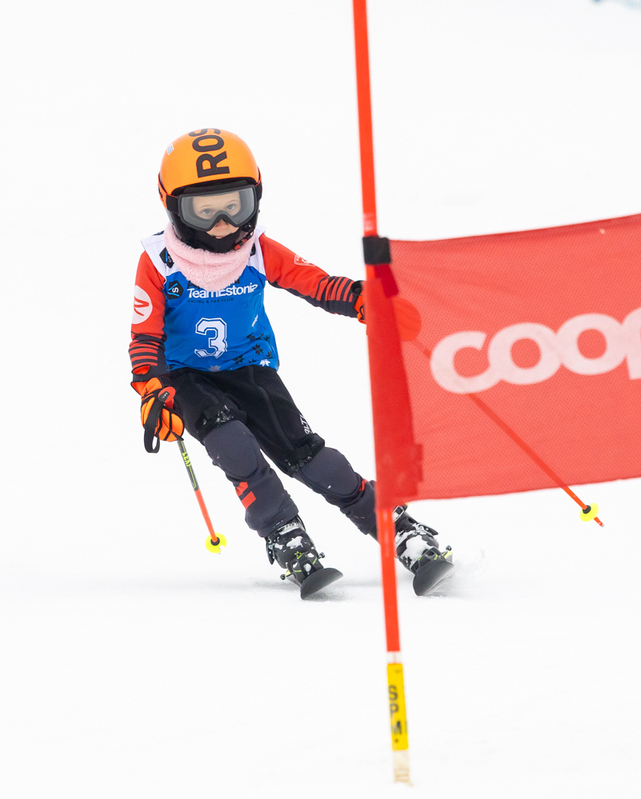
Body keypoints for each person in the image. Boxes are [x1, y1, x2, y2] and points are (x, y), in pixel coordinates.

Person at [129, 128, 452, 596]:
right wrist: (151, 388)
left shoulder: (258, 251)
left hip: (250, 369)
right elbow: (144, 336)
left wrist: (364, 302)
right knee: (233, 444)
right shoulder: (159, 261)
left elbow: (315, 283)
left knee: (312, 459)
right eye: (203, 210)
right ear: (173, 206)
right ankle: (284, 533)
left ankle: (400, 530)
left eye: (235, 205)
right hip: (185, 377)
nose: (222, 223)